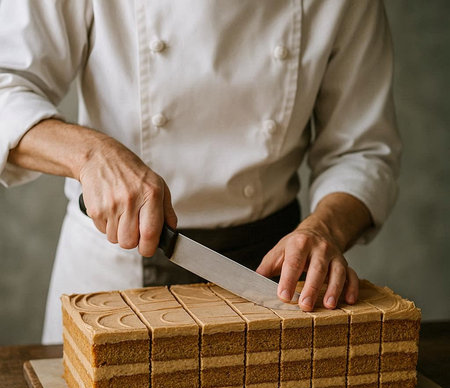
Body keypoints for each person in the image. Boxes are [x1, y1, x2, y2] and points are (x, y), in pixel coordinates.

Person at [0, 0, 401, 344]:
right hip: (114, 267)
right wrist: (90, 155)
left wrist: (324, 230)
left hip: (273, 274)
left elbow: (362, 149)